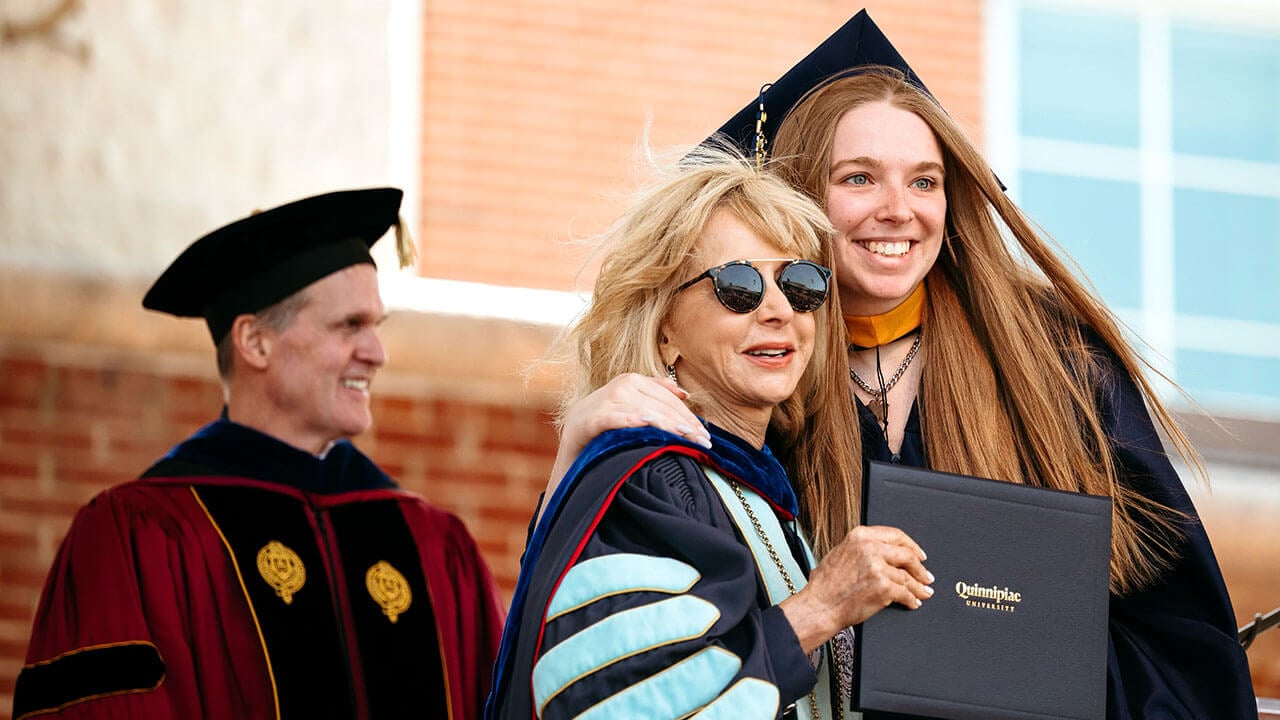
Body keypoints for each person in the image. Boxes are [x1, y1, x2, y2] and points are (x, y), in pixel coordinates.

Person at [547, 11, 1257, 719]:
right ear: (794, 198)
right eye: (859, 178)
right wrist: (579, 447)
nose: (898, 211)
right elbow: (627, 649)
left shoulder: (1053, 364)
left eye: (924, 182)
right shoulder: (751, 393)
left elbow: (1183, 638)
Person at [14, 188, 505, 719]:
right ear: (254, 343)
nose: (377, 353)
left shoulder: (432, 543)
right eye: (349, 326)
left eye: (376, 327)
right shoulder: (137, 536)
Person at [485, 147, 933, 720]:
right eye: (739, 286)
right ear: (665, 326)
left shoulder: (757, 488)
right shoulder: (651, 480)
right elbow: (622, 702)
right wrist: (819, 608)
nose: (778, 310)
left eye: (800, 284)